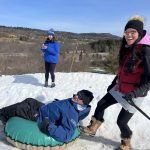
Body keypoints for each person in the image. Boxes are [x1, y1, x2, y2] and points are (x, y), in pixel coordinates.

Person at [81, 16, 150, 150]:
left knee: (121, 122)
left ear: (139, 33)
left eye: (133, 32)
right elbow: (122, 69)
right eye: (126, 32)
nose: (129, 35)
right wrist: (114, 83)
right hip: (121, 87)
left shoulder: (146, 50)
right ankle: (93, 128)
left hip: (135, 93)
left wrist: (135, 93)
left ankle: (126, 142)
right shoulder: (127, 47)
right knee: (101, 104)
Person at [0, 90, 94, 143]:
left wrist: (49, 126)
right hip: (43, 108)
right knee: (30, 100)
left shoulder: (72, 115)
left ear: (83, 102)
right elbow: (63, 107)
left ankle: (2, 115)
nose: (76, 96)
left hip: (41, 117)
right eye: (77, 94)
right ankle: (3, 113)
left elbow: (66, 135)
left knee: (21, 108)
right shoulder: (74, 101)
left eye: (80, 97)